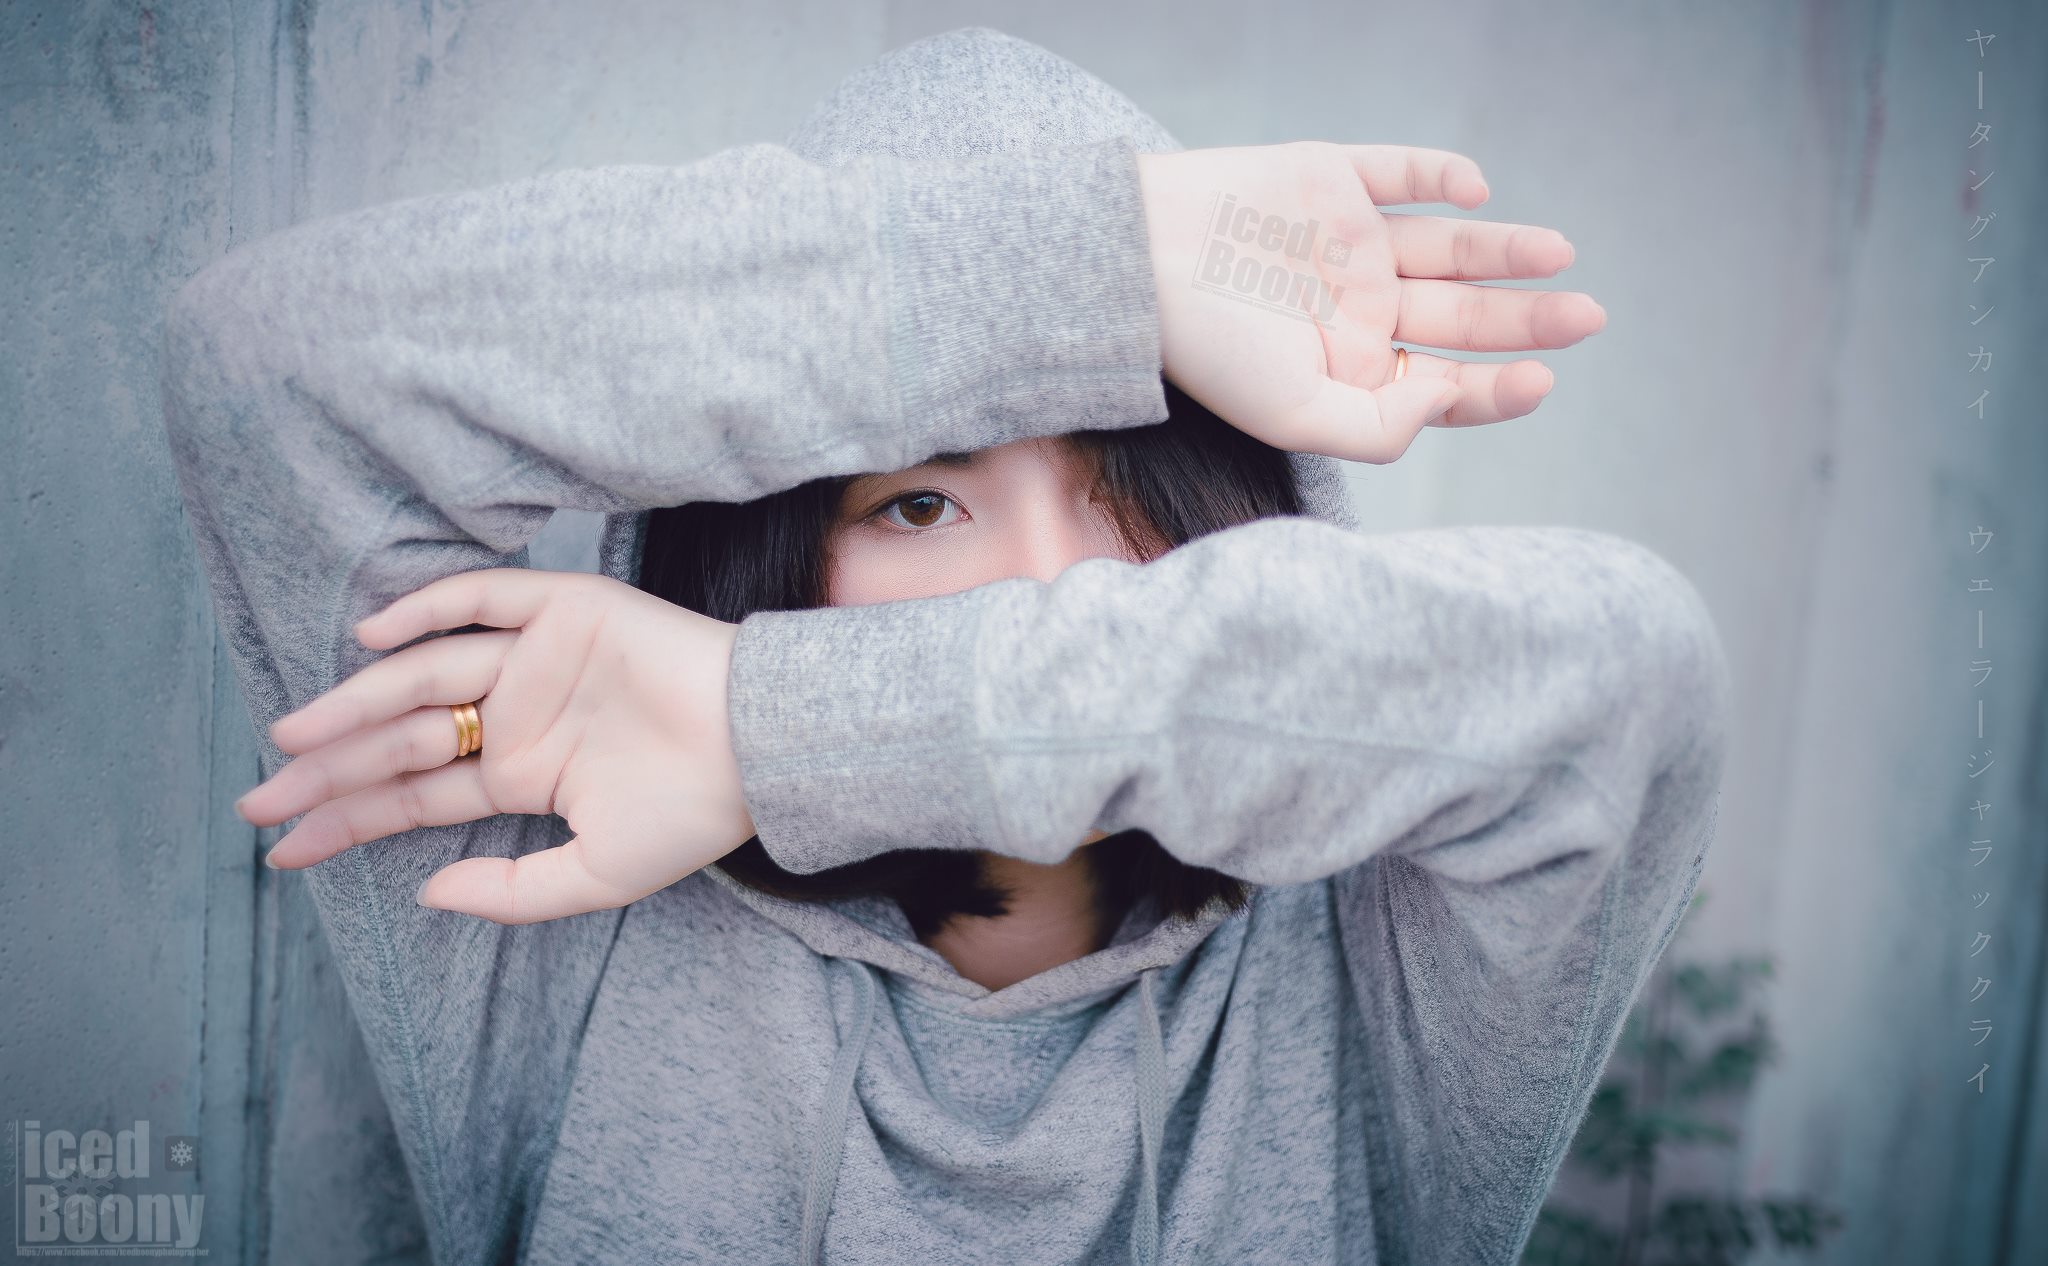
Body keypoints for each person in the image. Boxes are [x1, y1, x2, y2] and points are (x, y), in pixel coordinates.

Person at [159, 25, 1728, 1266]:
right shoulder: (562, 878)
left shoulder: (1370, 963)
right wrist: (1100, 268)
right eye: (919, 505)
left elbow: (1627, 676)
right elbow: (264, 372)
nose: (1046, 587)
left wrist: (773, 728)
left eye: (1128, 483)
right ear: (773, 543)